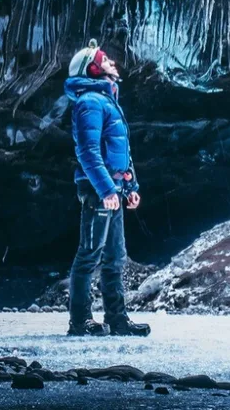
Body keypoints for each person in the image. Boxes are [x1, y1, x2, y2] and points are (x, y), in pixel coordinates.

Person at [63, 39, 151, 337]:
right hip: (98, 190)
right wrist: (105, 190)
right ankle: (80, 321)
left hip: (111, 189)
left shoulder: (108, 101)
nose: (112, 61)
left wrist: (129, 185)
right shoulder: (89, 102)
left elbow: (118, 152)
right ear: (92, 67)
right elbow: (88, 152)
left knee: (115, 256)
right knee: (89, 254)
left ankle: (117, 319)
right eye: (105, 58)